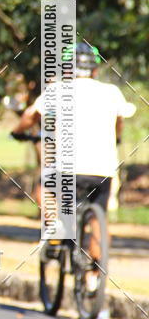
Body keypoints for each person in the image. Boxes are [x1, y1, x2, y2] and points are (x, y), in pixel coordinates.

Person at [12, 42, 135, 287]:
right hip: (103, 169)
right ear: (95, 70)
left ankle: (57, 226)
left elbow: (30, 117)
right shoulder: (111, 93)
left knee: (44, 189)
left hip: (66, 168)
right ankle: (93, 275)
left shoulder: (58, 90)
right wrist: (117, 135)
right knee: (98, 218)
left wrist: (18, 131)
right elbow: (120, 121)